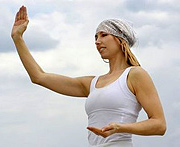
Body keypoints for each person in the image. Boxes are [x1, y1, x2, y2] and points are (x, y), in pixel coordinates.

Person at [11, 6, 166, 147]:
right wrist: (18, 39)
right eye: (95, 37)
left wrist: (120, 127)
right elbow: (39, 77)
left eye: (104, 35)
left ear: (121, 40)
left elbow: (159, 124)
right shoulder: (92, 83)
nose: (97, 42)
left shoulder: (135, 74)